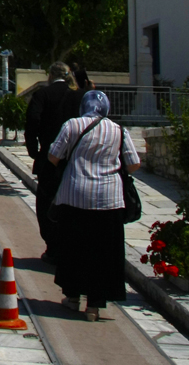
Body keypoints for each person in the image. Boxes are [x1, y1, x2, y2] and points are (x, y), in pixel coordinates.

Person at [47, 90, 140, 322]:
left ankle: (72, 297)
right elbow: (134, 163)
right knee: (103, 253)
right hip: (109, 200)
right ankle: (95, 306)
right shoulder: (119, 130)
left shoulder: (72, 125)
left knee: (74, 249)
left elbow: (53, 156)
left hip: (75, 196)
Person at [24, 62, 80, 261]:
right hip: (72, 160)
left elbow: (32, 121)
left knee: (46, 203)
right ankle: (68, 246)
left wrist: (33, 150)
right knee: (70, 205)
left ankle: (52, 246)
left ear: (50, 75)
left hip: (48, 158)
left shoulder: (42, 95)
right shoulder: (76, 96)